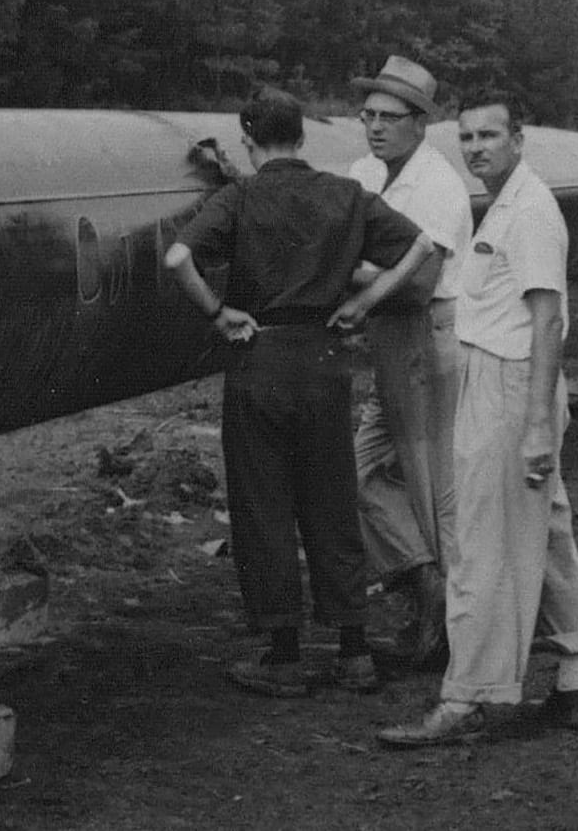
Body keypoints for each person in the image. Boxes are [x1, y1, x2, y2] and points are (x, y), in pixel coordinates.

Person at [165, 87, 432, 699]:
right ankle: (355, 653)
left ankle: (284, 658)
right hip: (324, 362)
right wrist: (363, 301)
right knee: (332, 501)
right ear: (303, 138)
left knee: (264, 508)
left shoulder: (239, 195)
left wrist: (217, 313)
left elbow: (178, 256)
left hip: (260, 360)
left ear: (248, 141)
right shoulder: (345, 194)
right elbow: (419, 246)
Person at [377, 97, 578, 747]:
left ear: (519, 139)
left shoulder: (529, 210)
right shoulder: (502, 203)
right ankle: (573, 680)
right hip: (504, 379)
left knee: (479, 542)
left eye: (490, 136)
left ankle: (466, 697)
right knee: (548, 529)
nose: (476, 148)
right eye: (467, 137)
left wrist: (533, 424)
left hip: (508, 384)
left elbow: (547, 319)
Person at [346, 56, 474, 665]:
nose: (375, 127)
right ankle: (426, 587)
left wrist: (353, 270)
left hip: (428, 336)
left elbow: (421, 287)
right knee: (358, 475)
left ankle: (456, 629)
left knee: (434, 492)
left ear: (420, 124)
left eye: (390, 118)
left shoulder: (439, 186)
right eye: (368, 115)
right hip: (388, 340)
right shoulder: (362, 174)